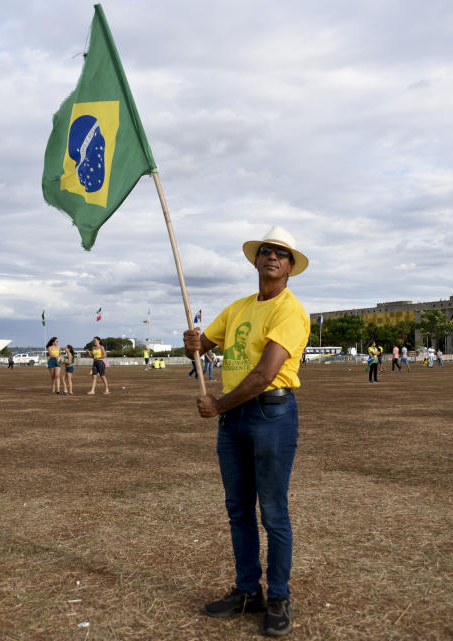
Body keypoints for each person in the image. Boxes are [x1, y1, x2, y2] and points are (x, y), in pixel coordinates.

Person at [182, 225, 309, 636]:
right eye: (266, 251)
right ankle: (246, 591)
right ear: (256, 260)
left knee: (273, 512)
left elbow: (263, 374)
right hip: (234, 421)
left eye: (281, 253)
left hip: (270, 415)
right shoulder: (238, 308)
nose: (272, 256)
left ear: (290, 266)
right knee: (238, 510)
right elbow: (206, 346)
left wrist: (217, 404)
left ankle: (278, 597)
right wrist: (193, 342)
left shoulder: (290, 310)